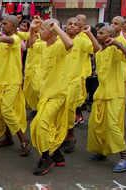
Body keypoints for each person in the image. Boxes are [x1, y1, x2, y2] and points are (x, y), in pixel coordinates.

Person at [29, 18, 73, 176]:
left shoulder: (60, 45)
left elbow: (70, 44)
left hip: (57, 94)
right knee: (41, 126)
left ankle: (47, 157)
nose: (40, 33)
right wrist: (32, 29)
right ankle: (57, 155)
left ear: (52, 31)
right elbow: (30, 44)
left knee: (40, 125)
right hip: (45, 94)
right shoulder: (43, 46)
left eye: (43, 30)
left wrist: (56, 27)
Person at [88, 25, 126, 173]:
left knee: (113, 125)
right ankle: (102, 152)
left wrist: (117, 44)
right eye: (98, 33)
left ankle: (125, 158)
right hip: (101, 93)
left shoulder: (116, 48)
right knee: (97, 124)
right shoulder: (100, 53)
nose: (99, 35)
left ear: (110, 36)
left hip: (115, 94)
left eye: (102, 33)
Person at [0, 15, 30, 156]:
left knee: (6, 109)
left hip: (13, 80)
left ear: (13, 26)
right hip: (0, 80)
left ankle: (23, 140)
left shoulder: (16, 38)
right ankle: (8, 138)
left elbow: (8, 39)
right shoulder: (2, 36)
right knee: (0, 110)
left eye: (5, 24)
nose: (3, 25)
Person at [61, 17, 100, 154]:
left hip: (75, 82)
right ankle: (61, 137)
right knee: (59, 111)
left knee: (69, 110)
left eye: (75, 25)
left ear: (79, 29)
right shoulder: (60, 38)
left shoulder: (82, 41)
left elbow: (96, 48)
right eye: (69, 23)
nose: (72, 26)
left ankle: (70, 136)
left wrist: (89, 33)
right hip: (59, 81)